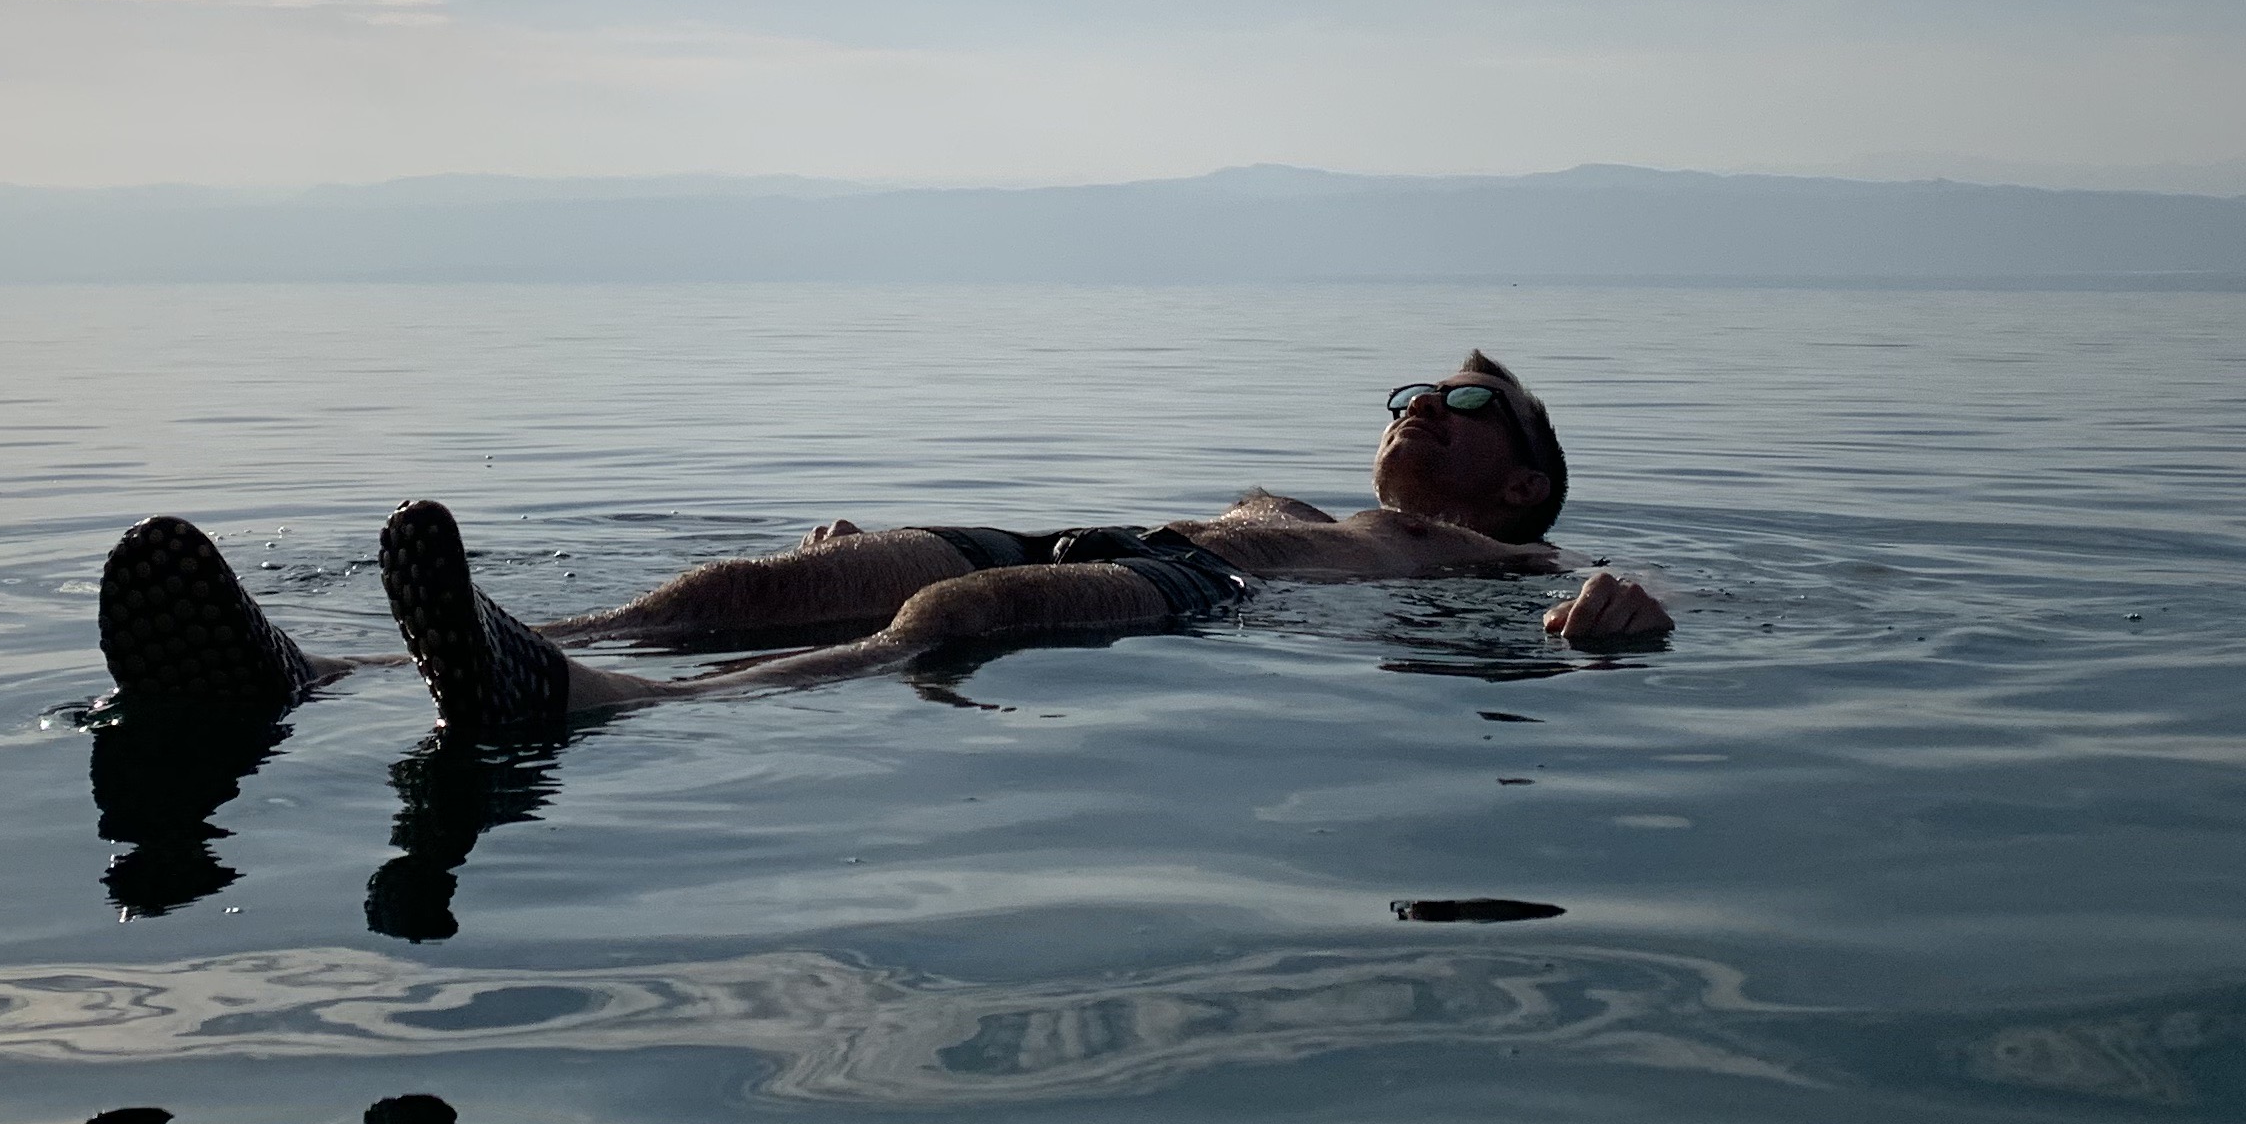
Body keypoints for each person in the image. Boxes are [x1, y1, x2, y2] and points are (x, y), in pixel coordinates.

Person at [97, 349, 1673, 733]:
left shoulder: (1505, 565)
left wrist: (1616, 606)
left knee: (948, 612)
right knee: (752, 582)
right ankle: (320, 669)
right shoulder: (1313, 497)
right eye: (1412, 388)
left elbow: (1659, 604)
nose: (1425, 404)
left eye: (1466, 397)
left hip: (1212, 587)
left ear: (1525, 480)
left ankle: (589, 705)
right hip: (1108, 523)